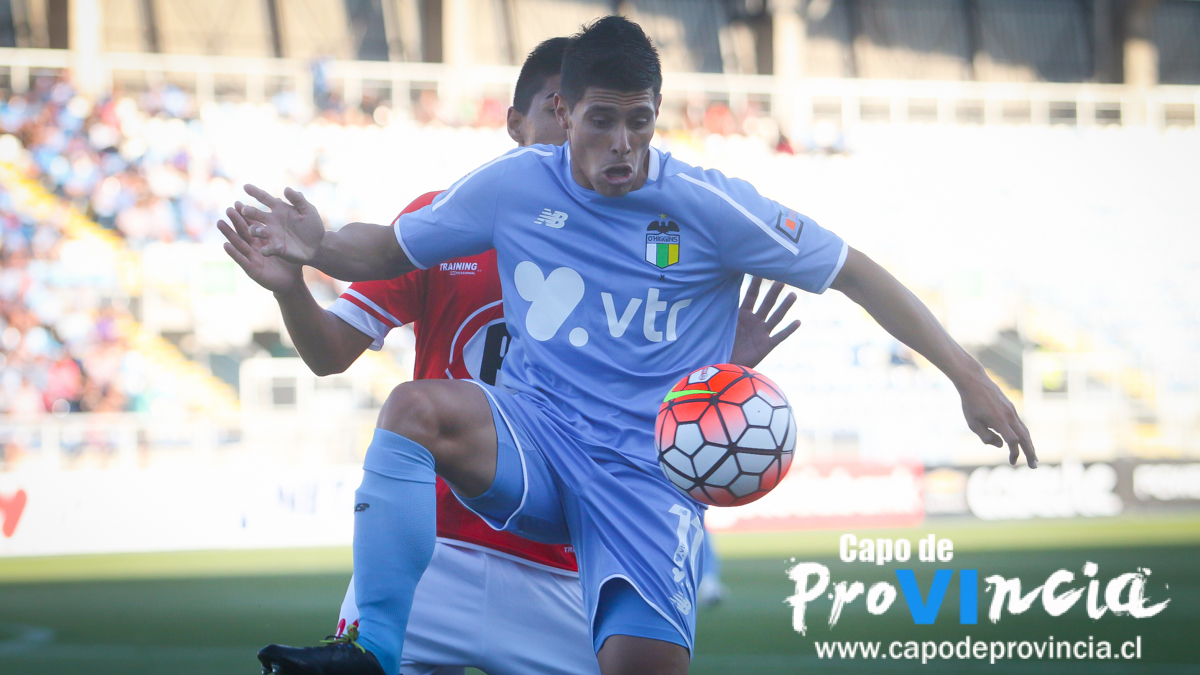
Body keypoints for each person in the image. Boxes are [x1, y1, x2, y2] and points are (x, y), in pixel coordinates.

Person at [227, 17, 1036, 675]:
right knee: (412, 409)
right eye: (602, 120)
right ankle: (370, 650)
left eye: (638, 120)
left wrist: (967, 376)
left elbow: (852, 270)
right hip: (537, 438)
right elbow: (384, 251)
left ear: (657, 114)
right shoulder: (512, 186)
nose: (622, 141)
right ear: (565, 113)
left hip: (644, 478)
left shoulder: (708, 204)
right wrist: (315, 246)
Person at [222, 36, 798, 675]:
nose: (577, 136)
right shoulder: (433, 228)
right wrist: (292, 290)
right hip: (431, 556)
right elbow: (330, 353)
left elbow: (643, 412)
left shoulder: (637, 247)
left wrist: (720, 367)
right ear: (516, 123)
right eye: (558, 113)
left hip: (567, 571)